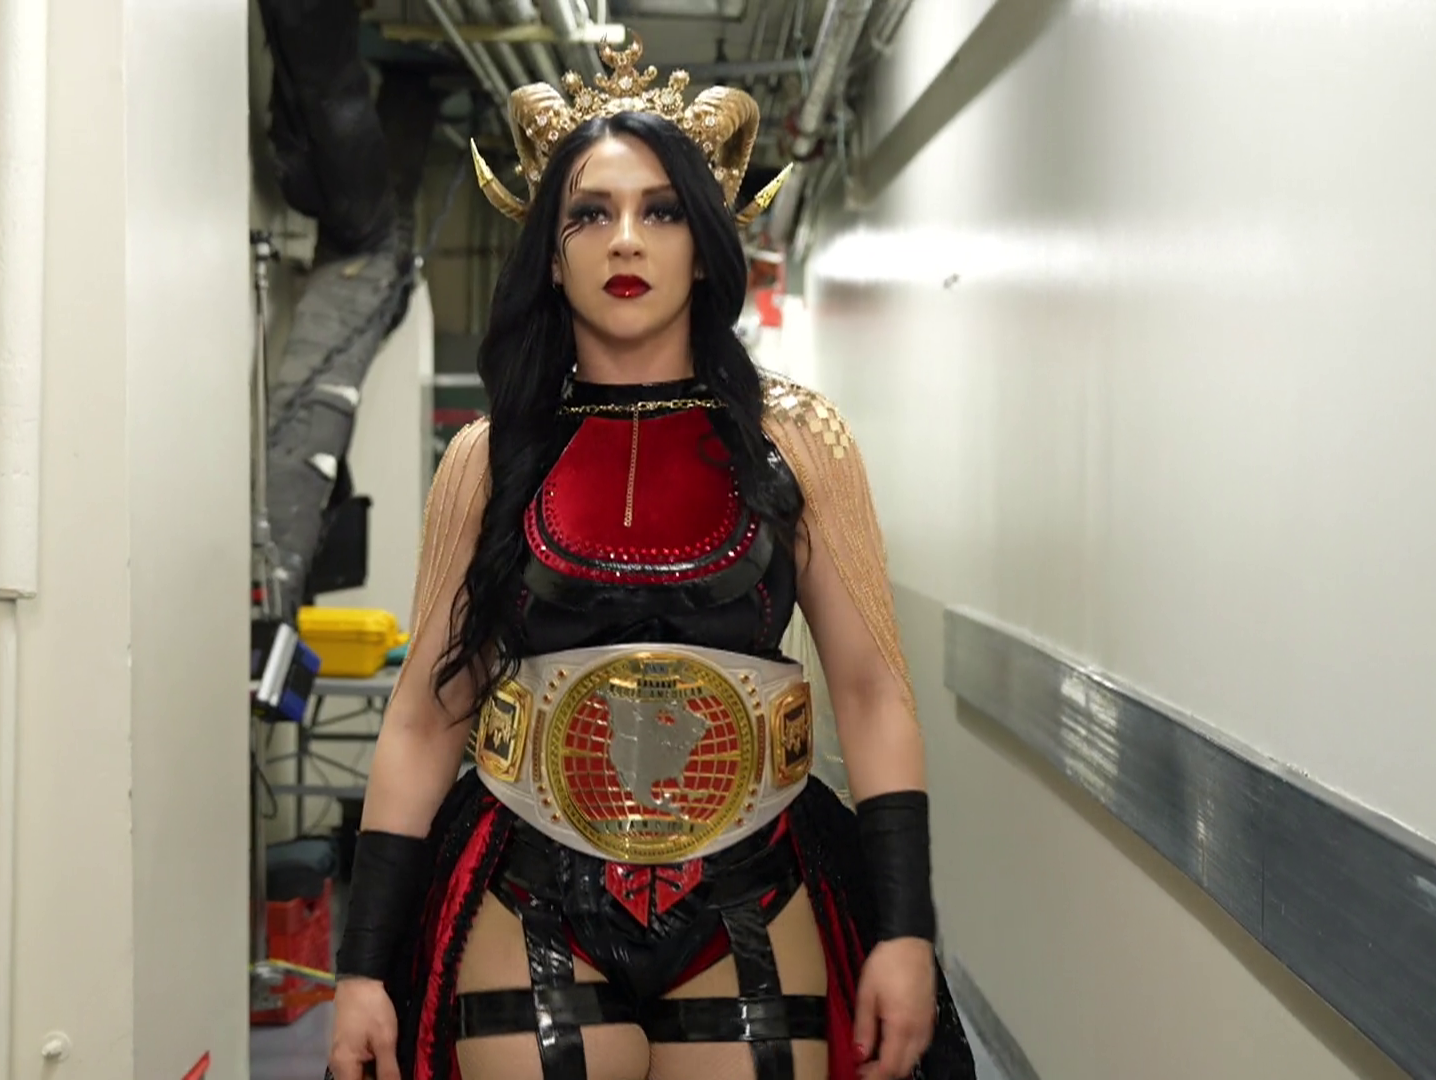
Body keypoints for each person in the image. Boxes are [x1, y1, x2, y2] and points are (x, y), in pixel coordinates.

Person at [325, 42, 974, 1080]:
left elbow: (872, 692)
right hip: (526, 887)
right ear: (550, 255)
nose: (626, 239)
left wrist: (903, 930)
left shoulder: (797, 444)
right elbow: (423, 717)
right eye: (590, 213)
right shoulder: (488, 460)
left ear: (706, 249)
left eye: (663, 212)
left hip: (758, 881)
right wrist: (362, 969)